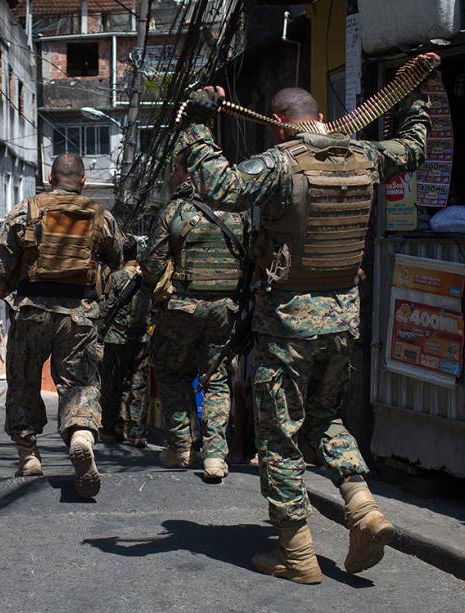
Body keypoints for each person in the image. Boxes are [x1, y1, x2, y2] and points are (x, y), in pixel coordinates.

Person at [175, 59, 434, 583]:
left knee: (280, 437)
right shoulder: (365, 156)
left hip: (288, 329)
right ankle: (362, 507)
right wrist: (415, 97)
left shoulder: (279, 163)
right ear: (318, 116)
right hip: (342, 323)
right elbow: (414, 145)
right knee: (324, 421)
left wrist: (198, 123)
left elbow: (217, 186)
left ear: (278, 121)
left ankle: (296, 553)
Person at [0, 153, 123, 498]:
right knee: (79, 383)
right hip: (80, 312)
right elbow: (117, 257)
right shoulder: (100, 215)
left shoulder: (25, 211)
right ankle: (80, 434)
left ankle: (29, 454)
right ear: (82, 182)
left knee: (23, 380)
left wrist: (12, 297)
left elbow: (0, 266)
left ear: (50, 178)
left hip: (32, 309)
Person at [141, 149, 249, 480]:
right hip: (224, 310)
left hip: (181, 309)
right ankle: (215, 455)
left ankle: (181, 447)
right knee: (215, 378)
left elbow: (152, 266)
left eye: (175, 169)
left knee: (172, 373)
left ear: (188, 174)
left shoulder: (175, 211)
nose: (172, 175)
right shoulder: (237, 211)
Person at [98, 236, 151, 446]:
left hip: (116, 339)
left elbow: (104, 307)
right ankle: (137, 432)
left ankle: (112, 428)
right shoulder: (146, 278)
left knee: (113, 384)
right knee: (139, 385)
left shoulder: (116, 277)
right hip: (141, 338)